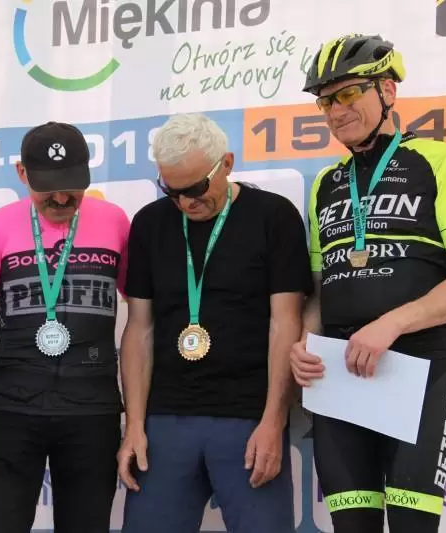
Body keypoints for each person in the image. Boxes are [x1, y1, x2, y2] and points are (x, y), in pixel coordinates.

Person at [290, 34, 446, 533]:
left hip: (417, 365)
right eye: (326, 101)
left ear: (388, 91)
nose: (337, 111)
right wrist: (305, 341)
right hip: (339, 373)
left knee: (410, 525)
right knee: (351, 525)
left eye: (349, 93)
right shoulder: (326, 184)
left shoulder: (438, 160)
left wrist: (391, 324)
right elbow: (320, 289)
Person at [117, 112, 313, 533]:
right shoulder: (149, 223)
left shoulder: (273, 216)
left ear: (226, 163)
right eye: (172, 191)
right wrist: (133, 426)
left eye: (196, 189)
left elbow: (285, 324)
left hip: (248, 419)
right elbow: (139, 329)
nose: (186, 203)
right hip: (166, 421)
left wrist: (274, 421)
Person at [0, 121, 131, 533]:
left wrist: (137, 421)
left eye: (72, 185)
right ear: (21, 173)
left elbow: (144, 320)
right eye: (47, 188)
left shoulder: (116, 221)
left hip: (92, 410)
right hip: (12, 408)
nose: (61, 198)